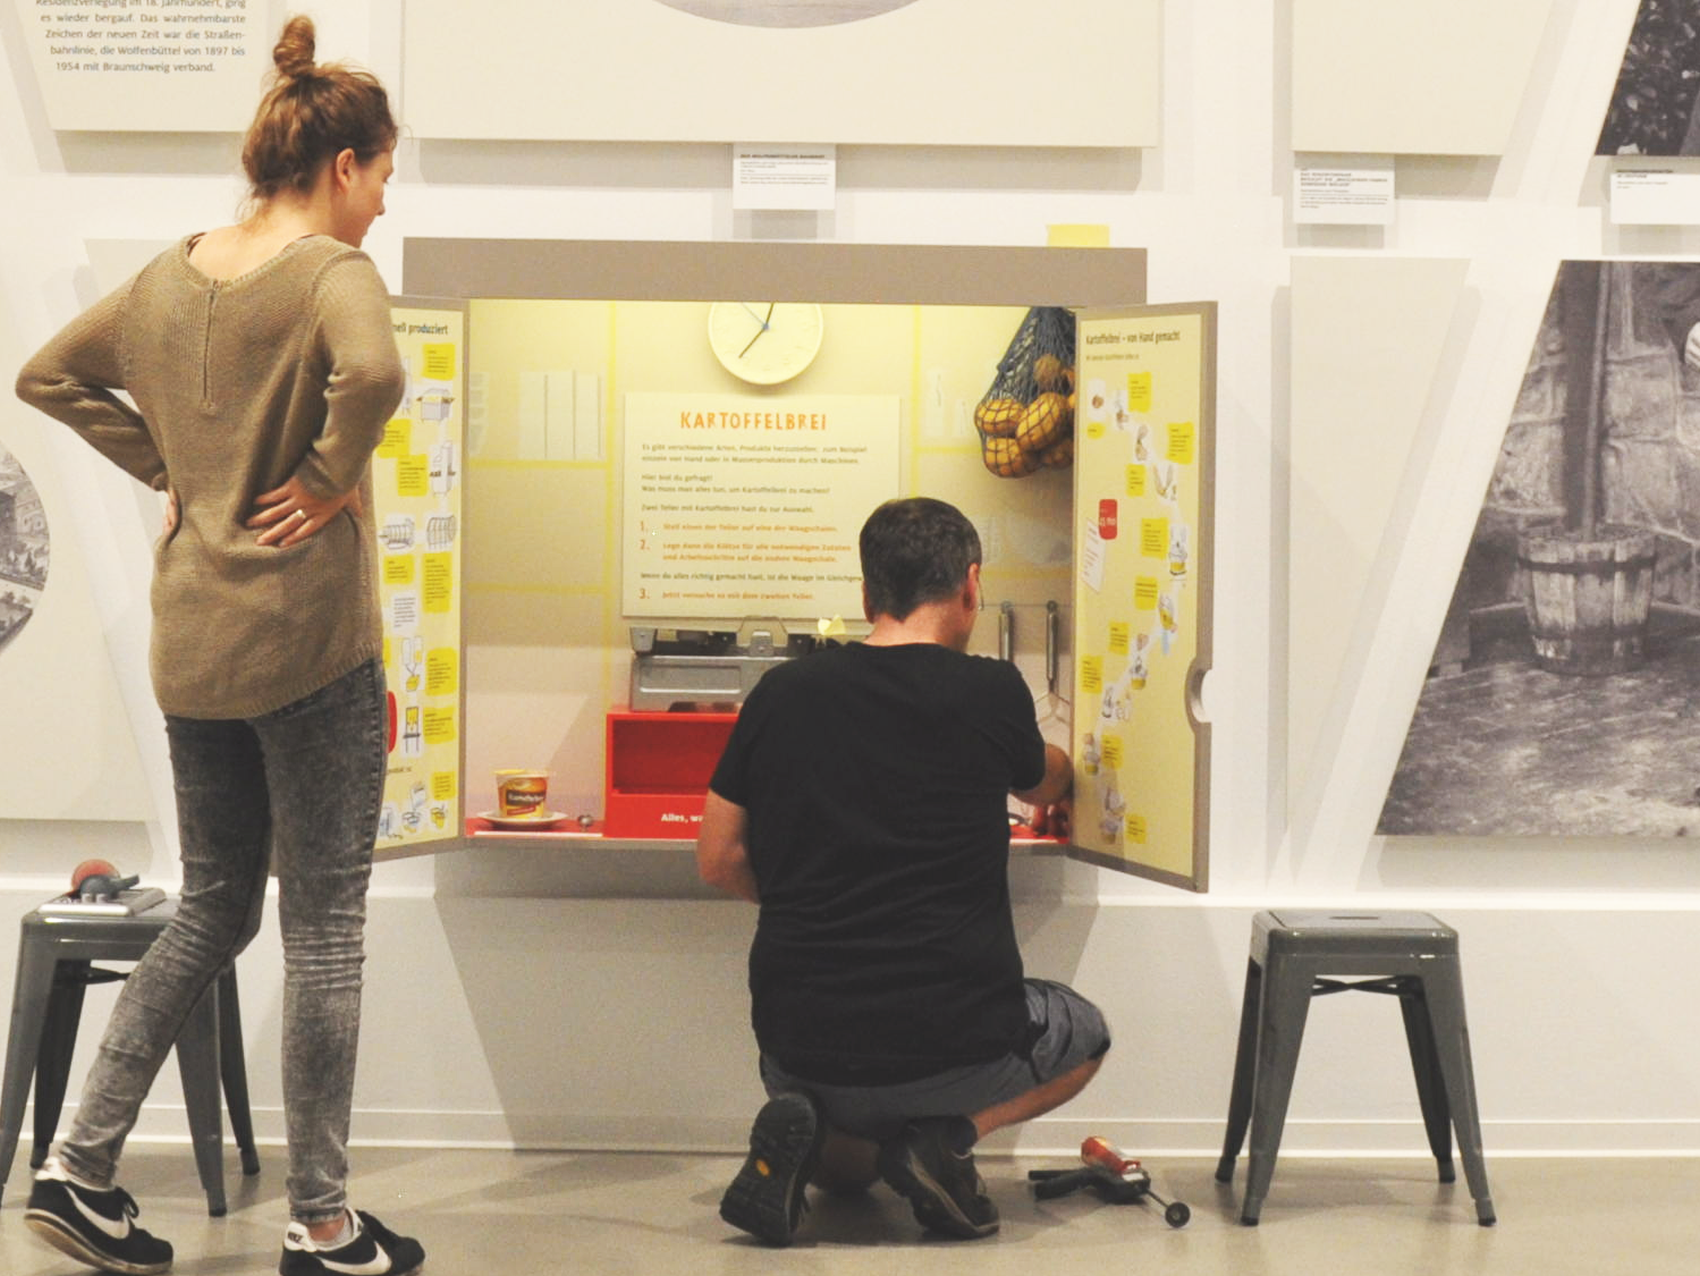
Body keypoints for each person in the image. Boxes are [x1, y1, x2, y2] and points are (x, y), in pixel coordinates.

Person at [13, 17, 423, 1276]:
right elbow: (377, 376)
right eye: (383, 175)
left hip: (193, 644)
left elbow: (45, 375)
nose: (383, 201)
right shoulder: (331, 273)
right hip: (307, 644)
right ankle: (324, 1220)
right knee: (327, 932)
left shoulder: (169, 273)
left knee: (211, 908)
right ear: (342, 164)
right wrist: (327, 476)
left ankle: (77, 1168)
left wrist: (173, 475)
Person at [697, 496, 1109, 1247]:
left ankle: (808, 1128)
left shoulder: (781, 693)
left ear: (867, 595)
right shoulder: (990, 691)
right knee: (1086, 1032)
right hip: (955, 1042)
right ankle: (950, 1137)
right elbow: (1044, 782)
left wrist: (798, 901)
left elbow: (717, 857)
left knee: (848, 1177)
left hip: (800, 1044)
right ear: (971, 584)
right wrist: (1059, 767)